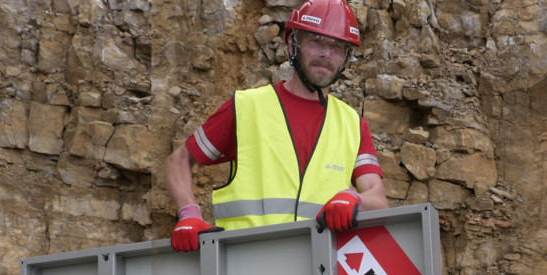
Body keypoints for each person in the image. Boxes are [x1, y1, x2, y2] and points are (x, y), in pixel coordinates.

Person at [165, 0, 389, 252]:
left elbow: (377, 199)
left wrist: (354, 199)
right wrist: (189, 214)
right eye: (316, 41)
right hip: (247, 267)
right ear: (293, 43)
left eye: (336, 47)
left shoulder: (353, 125)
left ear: (346, 57)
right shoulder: (246, 108)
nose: (326, 54)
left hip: (322, 271)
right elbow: (179, 160)